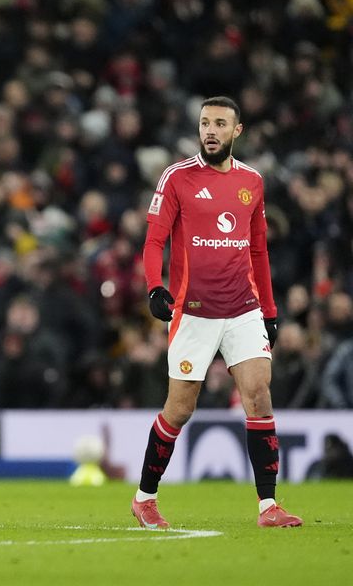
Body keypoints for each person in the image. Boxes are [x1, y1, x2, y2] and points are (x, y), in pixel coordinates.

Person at [132, 96, 302, 529]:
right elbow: (154, 242)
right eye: (205, 123)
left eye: (220, 124)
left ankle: (268, 506)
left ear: (236, 131)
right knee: (180, 409)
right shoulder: (177, 178)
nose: (210, 130)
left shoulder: (253, 182)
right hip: (193, 312)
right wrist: (155, 287)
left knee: (258, 394)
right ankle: (145, 498)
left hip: (243, 309)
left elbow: (259, 249)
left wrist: (269, 309)